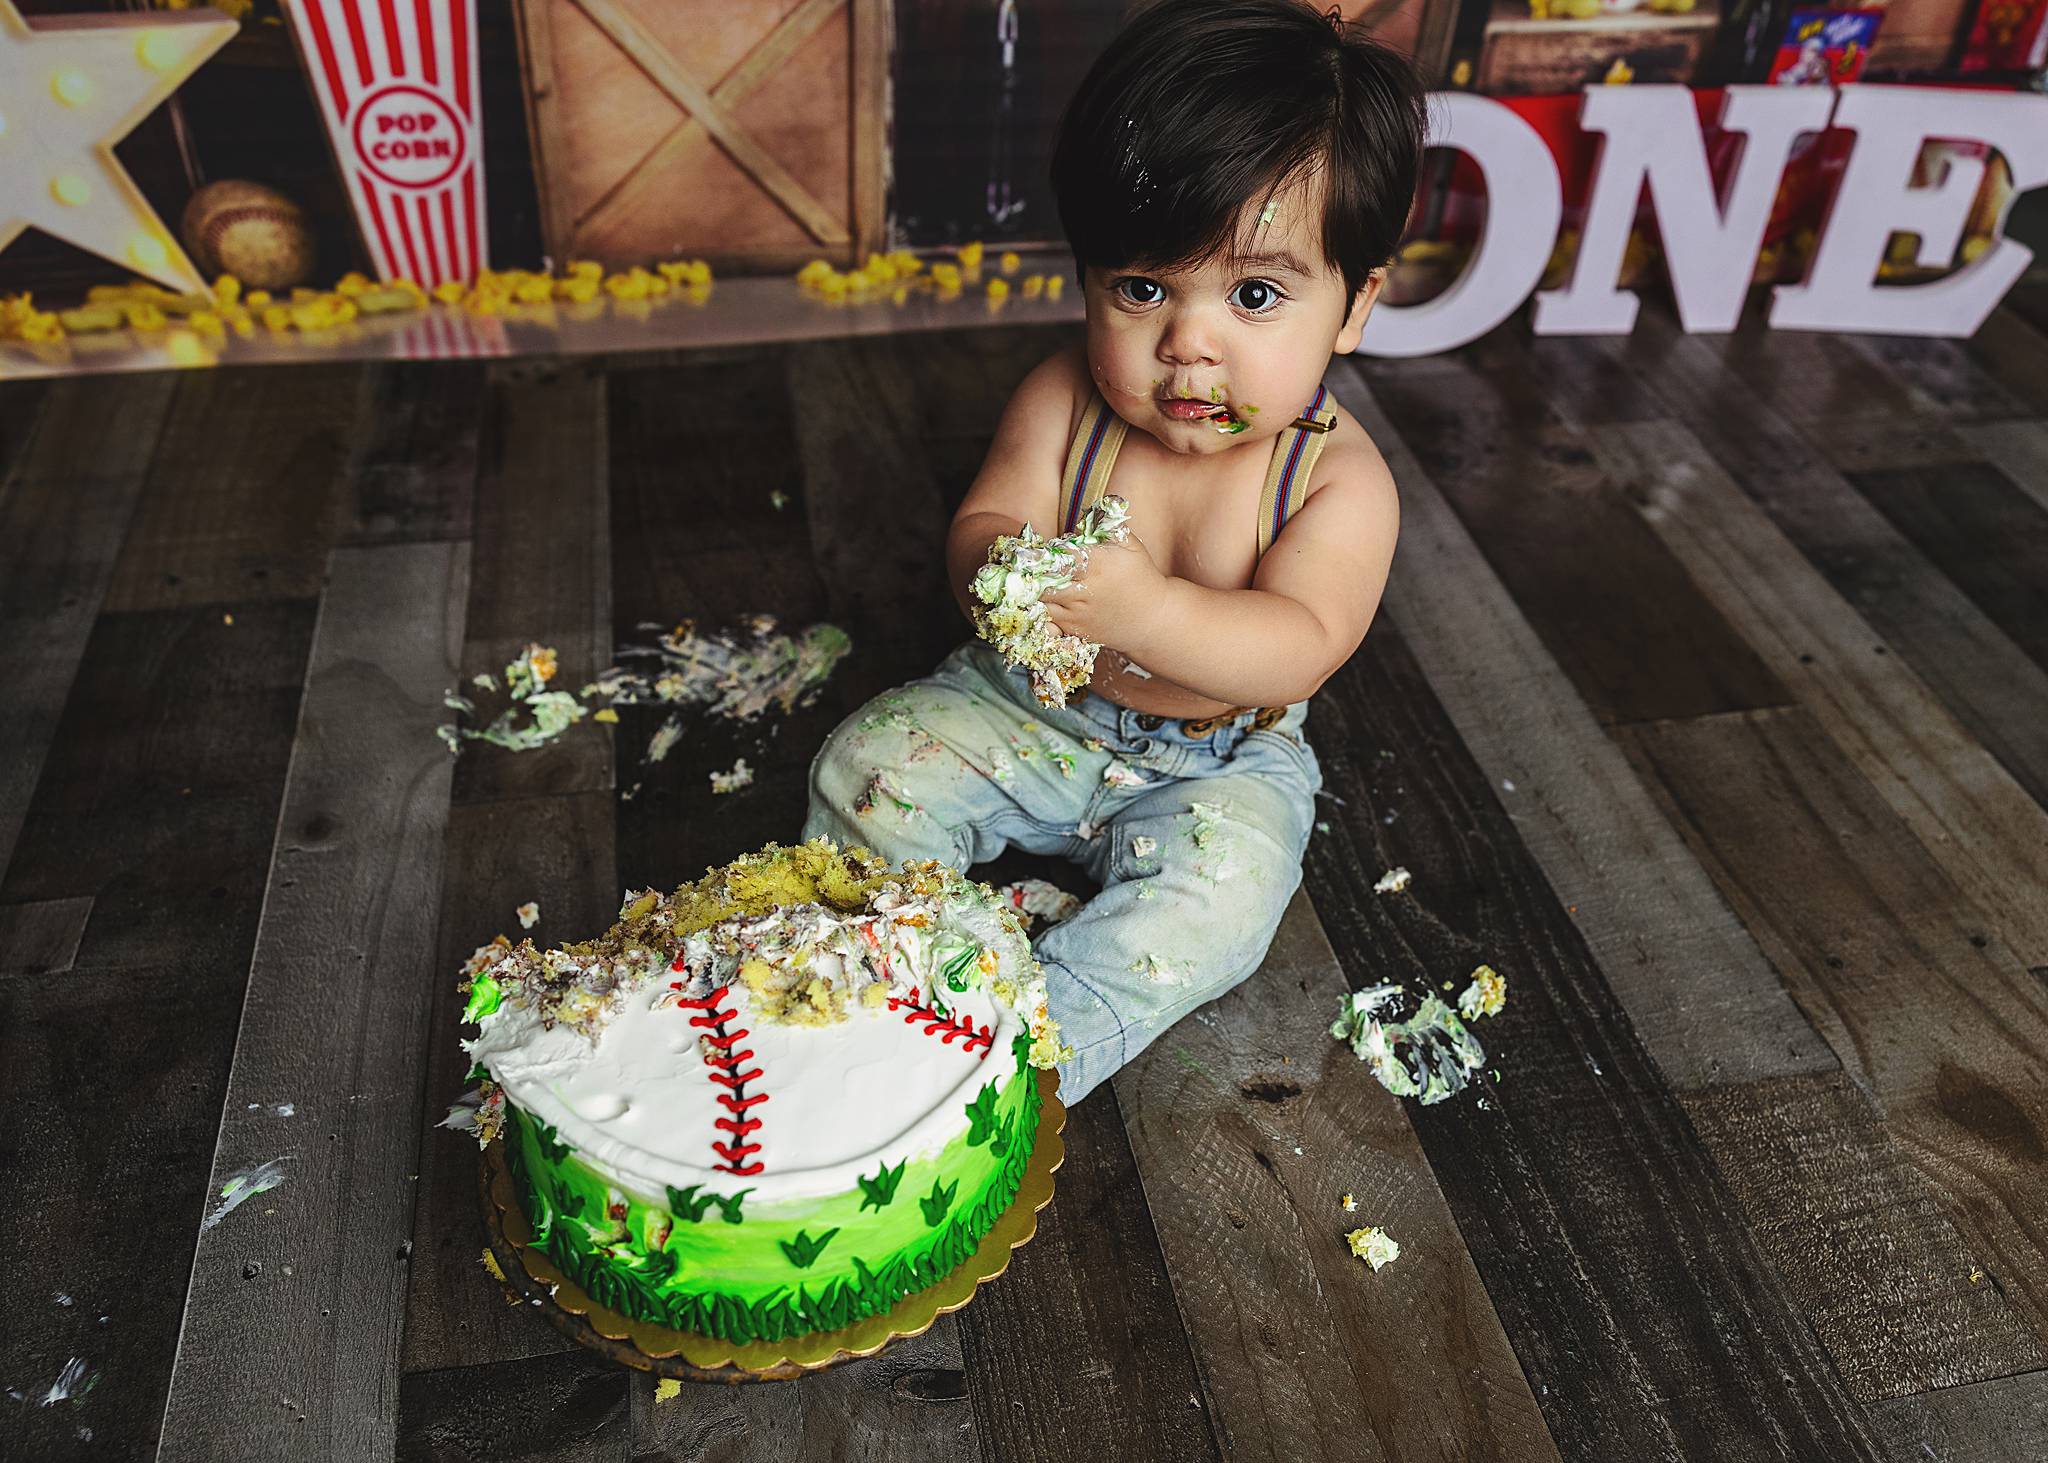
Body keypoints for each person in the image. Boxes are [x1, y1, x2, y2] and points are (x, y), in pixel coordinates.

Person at [803, 0, 1423, 1105]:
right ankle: (877, 979)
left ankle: (1021, 1059)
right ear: (1086, 277)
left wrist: (1143, 611)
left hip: (1220, 755)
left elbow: (1297, 647)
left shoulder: (1334, 480)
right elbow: (983, 528)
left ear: (1353, 308)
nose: (1187, 342)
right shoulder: (1063, 401)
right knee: (865, 769)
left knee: (1217, 907)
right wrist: (1003, 580)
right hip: (1030, 709)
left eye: (1253, 294)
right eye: (1141, 288)